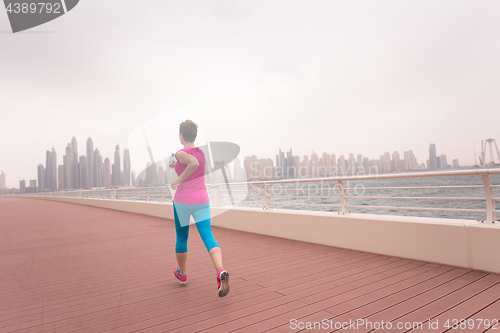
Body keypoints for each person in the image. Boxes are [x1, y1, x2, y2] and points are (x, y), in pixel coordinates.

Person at [170, 119, 230, 297]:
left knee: (182, 238)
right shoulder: (202, 153)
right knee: (208, 235)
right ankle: (220, 270)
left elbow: (193, 164)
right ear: (194, 136)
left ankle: (182, 275)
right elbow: (196, 165)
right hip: (202, 200)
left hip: (182, 202)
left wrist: (178, 180)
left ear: (181, 136)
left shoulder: (180, 153)